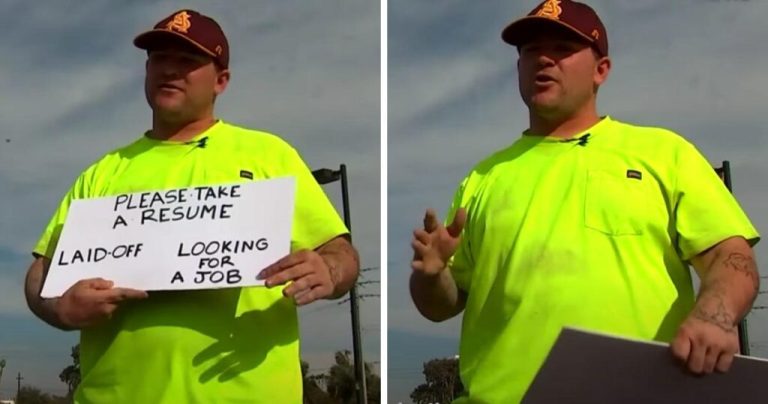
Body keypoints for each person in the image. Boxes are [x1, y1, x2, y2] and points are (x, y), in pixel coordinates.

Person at [409, 1, 760, 402]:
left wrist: (714, 314)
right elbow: (441, 306)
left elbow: (731, 257)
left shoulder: (664, 153)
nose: (543, 58)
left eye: (562, 48)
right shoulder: (482, 178)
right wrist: (432, 275)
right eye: (530, 50)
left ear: (601, 70)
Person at [24, 9, 359, 403]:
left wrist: (329, 269)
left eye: (187, 61)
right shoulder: (101, 174)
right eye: (160, 58)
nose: (170, 69)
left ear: (221, 81)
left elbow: (341, 254)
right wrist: (60, 308)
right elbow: (40, 273)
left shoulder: (270, 155)